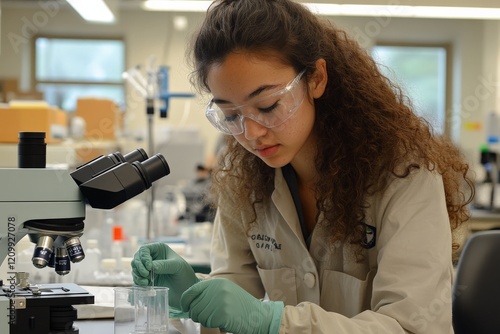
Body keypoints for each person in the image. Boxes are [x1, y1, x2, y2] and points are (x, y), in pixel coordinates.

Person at [132, 0, 475, 333]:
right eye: (231, 115)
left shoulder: (404, 177)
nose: (250, 134)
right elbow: (237, 289)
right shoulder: (246, 179)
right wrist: (195, 294)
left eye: (267, 106)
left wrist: (272, 323)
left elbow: (410, 326)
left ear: (316, 79)